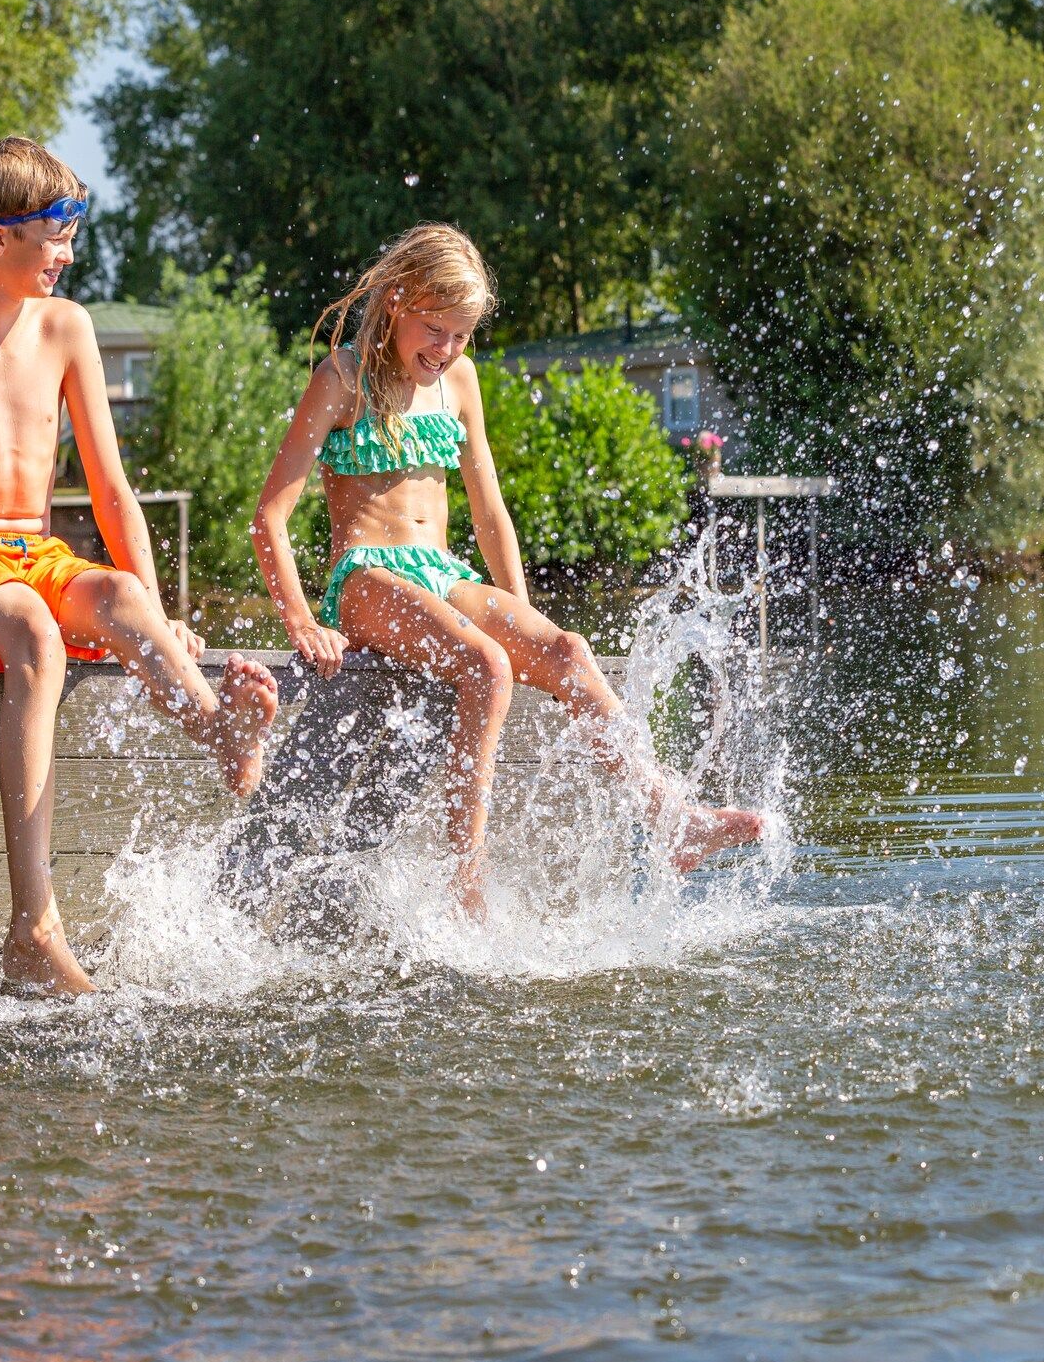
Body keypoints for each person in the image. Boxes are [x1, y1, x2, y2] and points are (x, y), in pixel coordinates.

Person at [0, 136, 280, 994]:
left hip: (34, 552)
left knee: (118, 593)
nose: (68, 255)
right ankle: (33, 925)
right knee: (35, 632)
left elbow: (113, 492)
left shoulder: (68, 327)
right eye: (55, 237)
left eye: (71, 235)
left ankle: (218, 730)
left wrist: (158, 612)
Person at [251, 223, 761, 917]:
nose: (447, 349)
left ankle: (670, 816)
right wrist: (301, 620)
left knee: (568, 652)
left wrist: (523, 616)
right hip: (367, 578)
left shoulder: (458, 380)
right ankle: (466, 885)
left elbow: (489, 512)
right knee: (486, 666)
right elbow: (270, 516)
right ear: (396, 301)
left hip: (441, 571)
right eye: (435, 329)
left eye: (461, 335)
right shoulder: (342, 379)